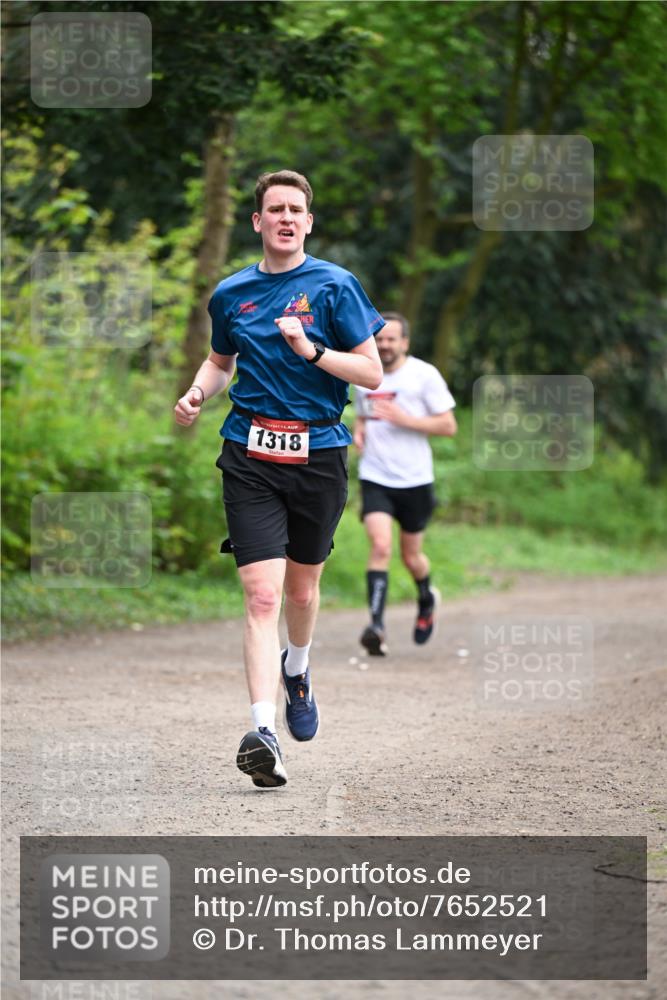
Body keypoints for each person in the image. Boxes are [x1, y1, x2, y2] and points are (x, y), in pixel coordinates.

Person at [174, 170, 384, 789]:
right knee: (263, 596)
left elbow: (370, 373)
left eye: (297, 209)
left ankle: (299, 667)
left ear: (308, 223)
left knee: (299, 593)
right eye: (276, 209)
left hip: (318, 454)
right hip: (249, 453)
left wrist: (312, 353)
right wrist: (194, 392)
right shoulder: (231, 294)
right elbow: (219, 362)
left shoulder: (336, 286)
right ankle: (264, 732)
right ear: (258, 222)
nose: (287, 217)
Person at [353, 312, 457, 656]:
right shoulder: (363, 373)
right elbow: (362, 414)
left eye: (391, 339)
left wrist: (405, 419)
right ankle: (376, 627)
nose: (384, 345)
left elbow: (448, 426)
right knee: (380, 547)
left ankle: (427, 598)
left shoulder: (423, 375)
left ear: (405, 342)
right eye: (379, 339)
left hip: (415, 479)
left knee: (411, 557)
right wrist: (360, 429)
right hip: (376, 476)